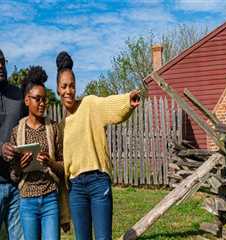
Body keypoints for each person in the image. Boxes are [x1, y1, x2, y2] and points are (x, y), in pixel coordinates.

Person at [56, 51, 140, 240]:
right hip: (76, 188)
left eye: (72, 86)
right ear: (58, 90)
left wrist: (127, 101)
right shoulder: (62, 126)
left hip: (98, 181)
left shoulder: (89, 104)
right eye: (64, 86)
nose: (69, 90)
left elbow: (109, 105)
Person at [9, 66, 69, 240]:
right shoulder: (17, 132)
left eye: (45, 99)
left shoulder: (53, 128)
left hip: (50, 199)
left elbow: (64, 167)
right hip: (27, 201)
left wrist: (50, 162)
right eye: (37, 99)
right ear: (27, 100)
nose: (42, 103)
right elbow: (14, 175)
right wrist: (20, 166)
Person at [0, 49, 24, 240]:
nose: (0, 66)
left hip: (16, 183)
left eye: (2, 61)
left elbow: (31, 126)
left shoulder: (18, 95)